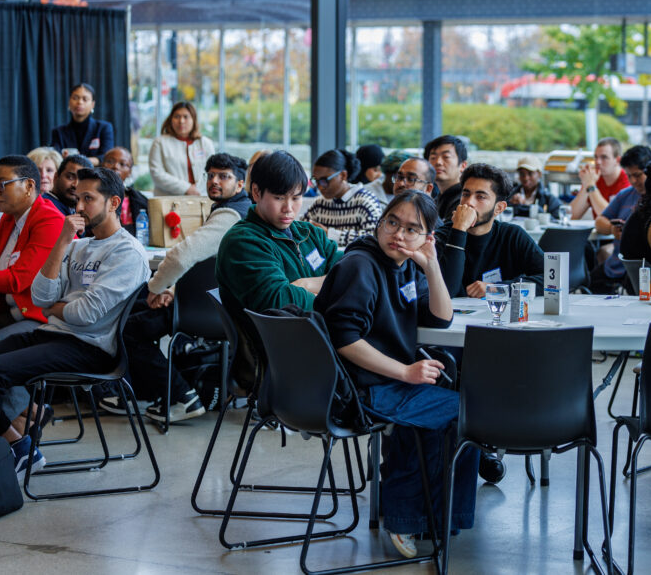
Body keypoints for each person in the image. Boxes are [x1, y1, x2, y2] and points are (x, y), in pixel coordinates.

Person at [0, 167, 149, 501]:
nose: (78, 207)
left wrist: (59, 306)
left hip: (89, 347)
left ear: (113, 203)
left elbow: (85, 315)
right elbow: (41, 296)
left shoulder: (126, 252)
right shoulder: (78, 246)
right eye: (77, 197)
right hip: (52, 332)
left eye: (88, 199)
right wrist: (64, 243)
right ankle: (16, 447)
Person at [315, 190, 477, 558]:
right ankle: (409, 519)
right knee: (456, 413)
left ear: (427, 238)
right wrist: (405, 371)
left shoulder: (402, 264)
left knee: (456, 408)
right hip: (358, 390)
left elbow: (440, 317)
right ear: (380, 220)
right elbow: (344, 340)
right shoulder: (360, 265)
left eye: (412, 229)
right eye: (392, 222)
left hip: (380, 383)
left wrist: (431, 264)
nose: (398, 235)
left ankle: (432, 519)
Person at [100, 153, 250, 423]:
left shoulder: (230, 215)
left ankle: (182, 396)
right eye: (211, 175)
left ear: (240, 184)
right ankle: (145, 394)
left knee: (129, 327)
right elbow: (203, 267)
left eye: (224, 176)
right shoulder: (234, 209)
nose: (215, 181)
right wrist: (173, 290)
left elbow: (182, 256)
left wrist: (155, 288)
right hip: (211, 304)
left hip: (212, 312)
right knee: (131, 314)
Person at [0, 155, 65, 433]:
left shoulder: (49, 220)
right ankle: (25, 415)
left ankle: (9, 429)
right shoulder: (10, 220)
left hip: (45, 319)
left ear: (29, 186)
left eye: (2, 185)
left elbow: (18, 280)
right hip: (15, 315)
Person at [216, 150, 342, 318]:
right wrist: (335, 298)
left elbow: (348, 273)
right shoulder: (243, 242)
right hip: (283, 341)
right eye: (279, 198)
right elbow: (278, 301)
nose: (288, 208)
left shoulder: (311, 233)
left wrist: (305, 284)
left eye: (296, 198)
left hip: (323, 332)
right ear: (256, 192)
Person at [434, 163, 545, 299]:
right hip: (454, 318)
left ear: (499, 208)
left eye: (480, 197)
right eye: (466, 194)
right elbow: (446, 291)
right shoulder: (443, 235)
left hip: (500, 316)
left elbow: (552, 280)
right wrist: (459, 230)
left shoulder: (511, 235)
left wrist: (497, 288)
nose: (469, 202)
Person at [590, 145, 651, 292]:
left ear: (650, 171)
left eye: (637, 175)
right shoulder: (625, 195)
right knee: (591, 282)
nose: (633, 181)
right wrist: (612, 229)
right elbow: (600, 221)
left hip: (643, 268)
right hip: (616, 265)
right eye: (629, 175)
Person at [303, 149, 384, 246]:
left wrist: (330, 234)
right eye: (316, 180)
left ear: (343, 175)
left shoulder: (366, 202)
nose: (320, 187)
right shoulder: (319, 203)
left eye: (324, 181)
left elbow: (375, 238)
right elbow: (301, 230)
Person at [148, 101, 216, 196]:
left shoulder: (205, 143)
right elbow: (157, 173)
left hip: (201, 198)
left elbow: (213, 171)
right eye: (177, 117)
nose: (181, 121)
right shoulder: (159, 143)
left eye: (186, 117)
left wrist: (198, 191)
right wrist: (186, 188)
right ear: (170, 119)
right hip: (169, 201)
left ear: (194, 119)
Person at [48, 83, 114, 165]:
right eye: (75, 98)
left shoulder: (103, 128)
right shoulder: (58, 132)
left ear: (92, 104)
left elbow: (106, 158)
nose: (79, 102)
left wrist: (77, 160)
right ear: (69, 102)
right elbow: (54, 158)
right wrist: (61, 156)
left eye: (85, 99)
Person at [569, 137, 630, 220]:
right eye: (596, 157)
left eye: (604, 157)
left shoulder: (628, 181)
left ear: (618, 160)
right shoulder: (594, 179)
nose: (598, 162)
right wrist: (586, 184)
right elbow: (572, 216)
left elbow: (612, 219)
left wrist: (591, 186)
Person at [102, 147, 148, 236]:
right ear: (102, 165)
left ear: (130, 171)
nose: (115, 166)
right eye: (110, 161)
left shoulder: (140, 200)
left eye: (122, 164)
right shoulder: (91, 197)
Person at [425, 135, 469, 221]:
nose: (438, 162)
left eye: (446, 157)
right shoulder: (436, 197)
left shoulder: (464, 201)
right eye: (433, 158)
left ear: (463, 165)